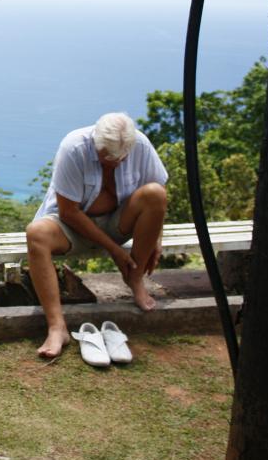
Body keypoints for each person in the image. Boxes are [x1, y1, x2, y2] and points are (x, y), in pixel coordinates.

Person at [26, 112, 168, 359]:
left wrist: (156, 238)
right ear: (96, 143)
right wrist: (115, 250)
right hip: (72, 225)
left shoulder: (140, 145)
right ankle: (57, 327)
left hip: (118, 222)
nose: (114, 162)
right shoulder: (74, 147)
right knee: (35, 233)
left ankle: (135, 279)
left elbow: (159, 196)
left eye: (121, 158)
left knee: (155, 193)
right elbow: (69, 212)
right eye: (107, 157)